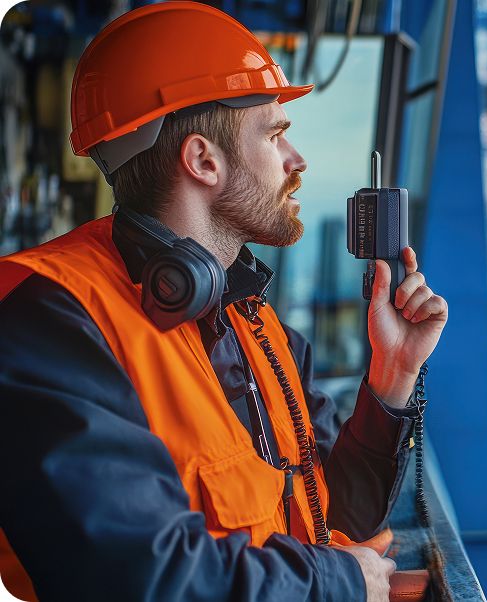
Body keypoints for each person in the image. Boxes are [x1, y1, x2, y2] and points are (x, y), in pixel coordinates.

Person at [0, 2, 448, 601]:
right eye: (275, 134)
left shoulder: (254, 326)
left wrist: (392, 379)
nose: (297, 161)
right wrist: (335, 584)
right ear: (202, 161)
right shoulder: (51, 322)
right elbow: (136, 576)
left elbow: (333, 514)